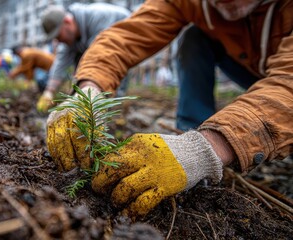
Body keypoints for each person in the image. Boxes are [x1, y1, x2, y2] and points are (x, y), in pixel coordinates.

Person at [46, 0, 293, 219]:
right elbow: (124, 39)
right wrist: (90, 91)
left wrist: (209, 149)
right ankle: (186, 134)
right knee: (194, 38)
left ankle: (194, 153)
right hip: (248, 62)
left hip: (282, 75)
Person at [36, 3, 131, 113]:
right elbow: (60, 65)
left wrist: (88, 89)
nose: (58, 41)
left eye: (58, 35)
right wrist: (49, 92)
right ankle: (89, 101)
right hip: (96, 46)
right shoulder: (69, 37)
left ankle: (115, 105)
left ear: (67, 21)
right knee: (82, 68)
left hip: (125, 38)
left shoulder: (98, 17)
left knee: (112, 73)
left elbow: (100, 60)